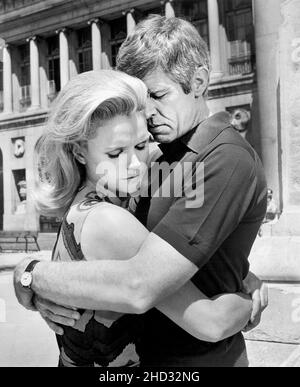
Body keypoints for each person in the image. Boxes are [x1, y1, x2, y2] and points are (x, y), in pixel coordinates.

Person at [14, 16, 268, 367]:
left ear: (198, 82)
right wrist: (30, 273)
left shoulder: (225, 160)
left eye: (158, 94)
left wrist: (34, 275)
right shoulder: (155, 154)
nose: (147, 112)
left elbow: (141, 283)